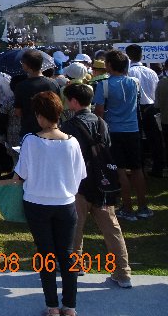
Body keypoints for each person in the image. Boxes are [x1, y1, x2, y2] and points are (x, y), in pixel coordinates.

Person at [14, 91, 86, 316]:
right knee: (67, 254)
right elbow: (80, 175)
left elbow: (21, 174)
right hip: (65, 203)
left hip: (36, 203)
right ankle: (70, 306)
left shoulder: (30, 140)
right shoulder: (72, 142)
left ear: (40, 115)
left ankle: (52, 306)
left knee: (46, 255)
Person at [61, 83, 132, 289]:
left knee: (75, 227)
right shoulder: (102, 122)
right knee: (112, 229)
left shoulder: (69, 126)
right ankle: (123, 272)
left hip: (79, 183)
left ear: (74, 102)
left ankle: (75, 265)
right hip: (102, 183)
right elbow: (107, 147)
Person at [94, 49, 153, 221]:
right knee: (137, 169)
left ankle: (127, 208)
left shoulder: (104, 84)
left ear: (109, 65)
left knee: (120, 170)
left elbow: (99, 111)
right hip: (133, 130)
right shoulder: (134, 82)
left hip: (114, 131)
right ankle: (143, 207)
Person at [124, 44, 163, 179]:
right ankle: (158, 167)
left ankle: (139, 168)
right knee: (155, 139)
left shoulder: (129, 73)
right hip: (152, 108)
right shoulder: (151, 72)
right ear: (141, 56)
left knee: (137, 139)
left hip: (136, 108)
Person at [15, 49, 60, 138]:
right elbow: (58, 108)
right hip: (51, 132)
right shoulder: (53, 83)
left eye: (22, 62)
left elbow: (18, 112)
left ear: (27, 65)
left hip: (29, 132)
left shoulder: (21, 86)